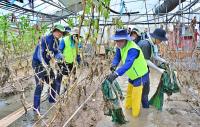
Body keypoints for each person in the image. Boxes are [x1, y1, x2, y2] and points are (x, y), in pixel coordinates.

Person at [107, 29, 149, 117]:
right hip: (132, 75)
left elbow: (128, 64)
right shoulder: (119, 46)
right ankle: (128, 112)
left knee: (136, 98)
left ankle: (135, 119)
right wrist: (114, 65)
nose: (118, 43)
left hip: (140, 75)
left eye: (121, 40)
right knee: (129, 94)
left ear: (126, 39)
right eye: (117, 40)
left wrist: (116, 73)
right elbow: (117, 57)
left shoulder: (133, 49)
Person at [32, 24, 65, 114]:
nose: (59, 33)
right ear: (54, 31)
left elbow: (56, 51)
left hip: (46, 64)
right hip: (38, 64)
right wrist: (44, 64)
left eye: (61, 32)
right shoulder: (45, 39)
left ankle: (52, 100)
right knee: (40, 86)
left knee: (53, 81)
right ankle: (36, 109)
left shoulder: (57, 41)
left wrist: (60, 56)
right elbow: (39, 54)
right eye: (58, 31)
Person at [130, 28, 150, 108]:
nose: (133, 36)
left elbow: (146, 60)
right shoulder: (130, 45)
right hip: (134, 73)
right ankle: (142, 109)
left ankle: (145, 110)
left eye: (135, 35)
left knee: (144, 94)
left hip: (142, 73)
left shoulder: (142, 44)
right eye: (132, 34)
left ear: (138, 36)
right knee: (138, 94)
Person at [57, 28, 79, 92]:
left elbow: (78, 51)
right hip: (65, 62)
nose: (76, 36)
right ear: (71, 34)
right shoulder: (64, 40)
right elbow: (59, 51)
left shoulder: (77, 41)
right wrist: (60, 60)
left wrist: (78, 60)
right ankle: (65, 91)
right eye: (75, 35)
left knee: (74, 75)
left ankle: (74, 88)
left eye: (77, 35)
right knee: (66, 76)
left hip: (73, 62)